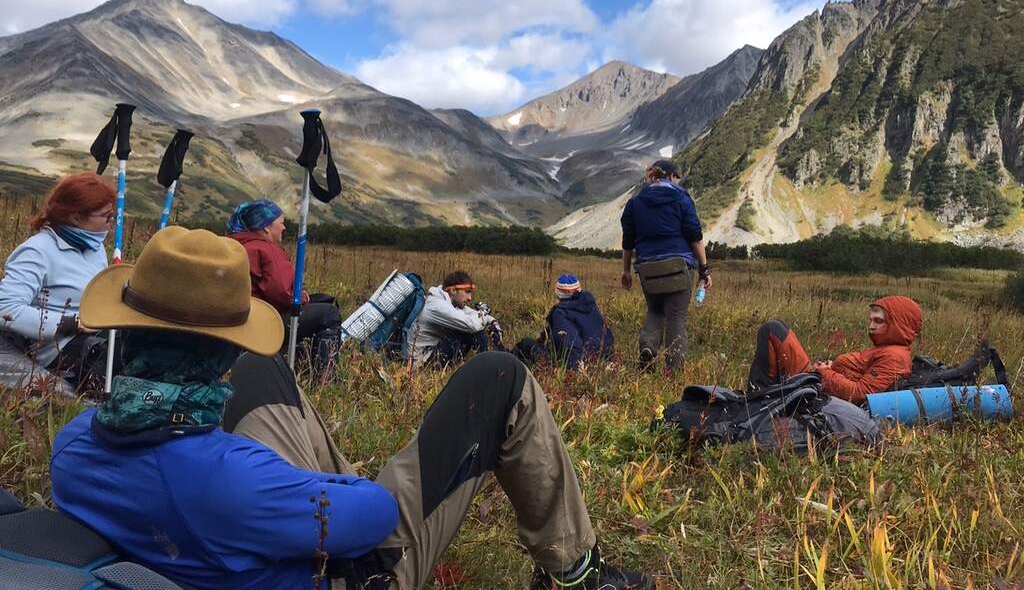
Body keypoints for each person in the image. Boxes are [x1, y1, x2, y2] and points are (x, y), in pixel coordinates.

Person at [49, 226, 653, 590]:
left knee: (265, 369)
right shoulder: (230, 479)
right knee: (499, 377)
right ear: (215, 358)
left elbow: (225, 481)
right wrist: (321, 492)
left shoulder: (72, 448)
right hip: (346, 568)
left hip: (221, 531)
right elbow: (372, 514)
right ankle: (577, 569)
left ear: (125, 335)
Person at [0, 173, 114, 392]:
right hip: (60, 350)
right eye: (106, 216)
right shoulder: (37, 252)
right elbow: (6, 307)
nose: (111, 223)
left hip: (99, 331)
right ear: (75, 218)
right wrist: (71, 324)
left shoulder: (94, 247)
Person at [226, 199, 342, 369]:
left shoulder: (233, 245)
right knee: (329, 313)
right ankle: (325, 377)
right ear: (266, 227)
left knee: (317, 301)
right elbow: (283, 295)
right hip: (261, 322)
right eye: (281, 223)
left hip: (236, 320)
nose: (284, 227)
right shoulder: (267, 250)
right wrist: (302, 297)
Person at [620, 159, 711, 372]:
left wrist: (626, 271)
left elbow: (628, 241)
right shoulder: (681, 197)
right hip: (679, 266)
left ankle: (648, 348)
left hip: (647, 267)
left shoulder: (635, 202)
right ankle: (673, 370)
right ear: (671, 176)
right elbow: (695, 237)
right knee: (676, 317)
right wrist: (704, 269)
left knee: (654, 311)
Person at [747, 295, 922, 404]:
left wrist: (824, 373)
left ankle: (759, 398)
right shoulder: (887, 349)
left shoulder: (895, 357)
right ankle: (764, 394)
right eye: (870, 320)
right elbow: (860, 375)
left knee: (773, 329)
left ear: (898, 325)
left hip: (816, 387)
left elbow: (860, 394)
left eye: (878, 321)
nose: (871, 326)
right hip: (819, 382)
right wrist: (834, 368)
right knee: (776, 329)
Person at [514, 274, 614, 371]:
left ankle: (510, 369)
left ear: (558, 293)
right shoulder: (590, 305)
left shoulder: (560, 313)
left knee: (525, 344)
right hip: (604, 358)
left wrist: (575, 369)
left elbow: (570, 344)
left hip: (578, 364)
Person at [406, 270, 500, 368]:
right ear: (453, 291)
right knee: (471, 331)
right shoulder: (437, 306)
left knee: (473, 328)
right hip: (423, 363)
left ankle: (498, 358)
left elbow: (469, 312)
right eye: (467, 292)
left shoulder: (447, 301)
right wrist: (484, 314)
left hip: (432, 352)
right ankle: (496, 364)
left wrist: (492, 320)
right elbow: (471, 324)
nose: (470, 298)